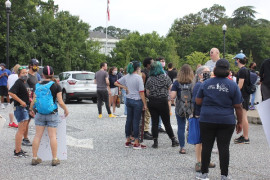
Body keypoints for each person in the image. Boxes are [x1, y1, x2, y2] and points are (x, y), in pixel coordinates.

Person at [195, 59, 243, 180]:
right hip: (226, 120)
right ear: (228, 70)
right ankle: (224, 175)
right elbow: (238, 106)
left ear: (215, 69)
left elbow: (198, 101)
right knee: (224, 147)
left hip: (207, 119)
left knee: (206, 146)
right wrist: (240, 122)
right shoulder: (232, 85)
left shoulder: (206, 83)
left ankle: (204, 174)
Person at [30, 66, 69, 166]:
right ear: (52, 74)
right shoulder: (56, 85)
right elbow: (60, 101)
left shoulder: (37, 85)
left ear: (42, 74)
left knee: (37, 136)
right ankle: (54, 159)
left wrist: (31, 109)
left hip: (39, 113)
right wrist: (65, 109)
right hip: (52, 114)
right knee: (53, 136)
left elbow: (34, 100)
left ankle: (34, 158)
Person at [146, 61, 179, 149]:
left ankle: (155, 142)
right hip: (162, 101)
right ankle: (173, 140)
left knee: (155, 122)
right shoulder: (165, 78)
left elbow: (147, 92)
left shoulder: (150, 79)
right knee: (166, 122)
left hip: (152, 102)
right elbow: (170, 88)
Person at [115, 61, 147, 149]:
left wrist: (124, 87)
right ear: (137, 68)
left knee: (129, 120)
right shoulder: (138, 78)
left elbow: (116, 82)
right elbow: (141, 92)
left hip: (128, 100)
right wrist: (145, 104)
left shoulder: (126, 76)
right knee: (136, 121)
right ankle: (136, 142)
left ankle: (127, 140)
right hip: (137, 101)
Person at [191, 66, 215, 172]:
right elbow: (196, 101)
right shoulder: (198, 85)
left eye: (209, 72)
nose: (209, 73)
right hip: (200, 115)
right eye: (206, 72)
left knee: (207, 140)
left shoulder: (208, 84)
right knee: (200, 140)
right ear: (200, 74)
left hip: (207, 115)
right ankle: (199, 161)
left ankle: (206, 159)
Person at [170, 64, 194, 154]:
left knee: (181, 127)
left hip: (180, 107)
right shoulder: (193, 83)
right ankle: (195, 143)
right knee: (192, 124)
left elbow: (172, 96)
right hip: (191, 108)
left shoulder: (176, 83)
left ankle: (182, 147)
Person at [8, 66, 30, 157]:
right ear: (19, 74)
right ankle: (17, 151)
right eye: (23, 73)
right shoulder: (18, 82)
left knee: (23, 129)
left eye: (26, 73)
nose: (25, 74)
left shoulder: (24, 83)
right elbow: (11, 92)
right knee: (21, 130)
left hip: (24, 108)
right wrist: (21, 101)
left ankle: (19, 148)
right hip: (20, 108)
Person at [234, 53, 250, 144]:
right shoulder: (246, 70)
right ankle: (244, 135)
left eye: (236, 60)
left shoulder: (242, 71)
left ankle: (246, 137)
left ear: (238, 60)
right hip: (246, 95)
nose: (235, 61)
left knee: (243, 116)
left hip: (243, 96)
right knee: (244, 116)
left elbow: (240, 85)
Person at [141, 57, 154, 140]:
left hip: (149, 96)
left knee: (148, 114)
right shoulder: (143, 73)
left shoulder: (150, 72)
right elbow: (142, 86)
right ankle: (144, 132)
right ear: (148, 64)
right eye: (152, 62)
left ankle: (146, 130)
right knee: (145, 114)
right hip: (145, 96)